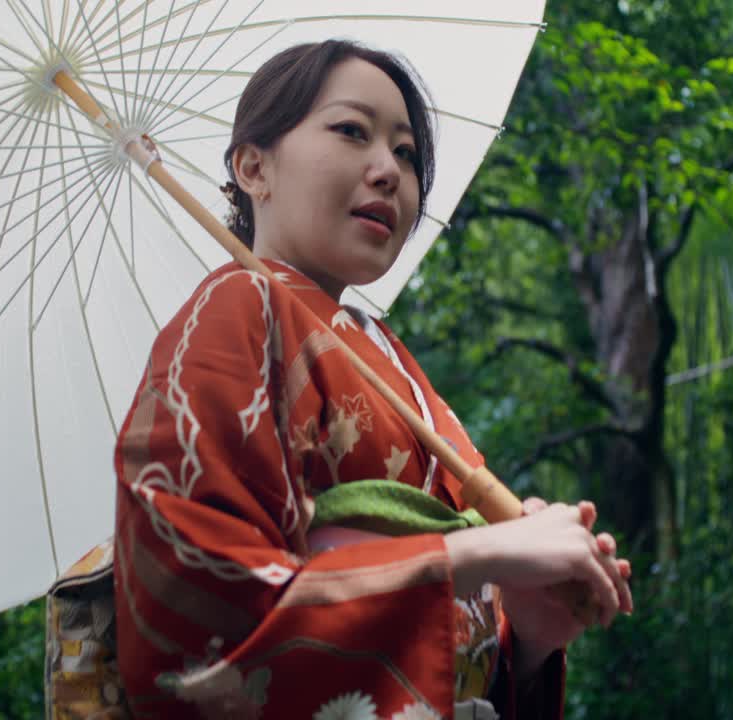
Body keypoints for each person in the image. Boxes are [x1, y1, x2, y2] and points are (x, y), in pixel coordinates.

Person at [113, 39, 634, 719]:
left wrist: (528, 636)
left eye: (407, 153)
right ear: (253, 167)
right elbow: (204, 603)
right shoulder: (235, 311)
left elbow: (464, 631)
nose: (389, 171)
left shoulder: (388, 353)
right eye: (352, 131)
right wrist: (470, 554)